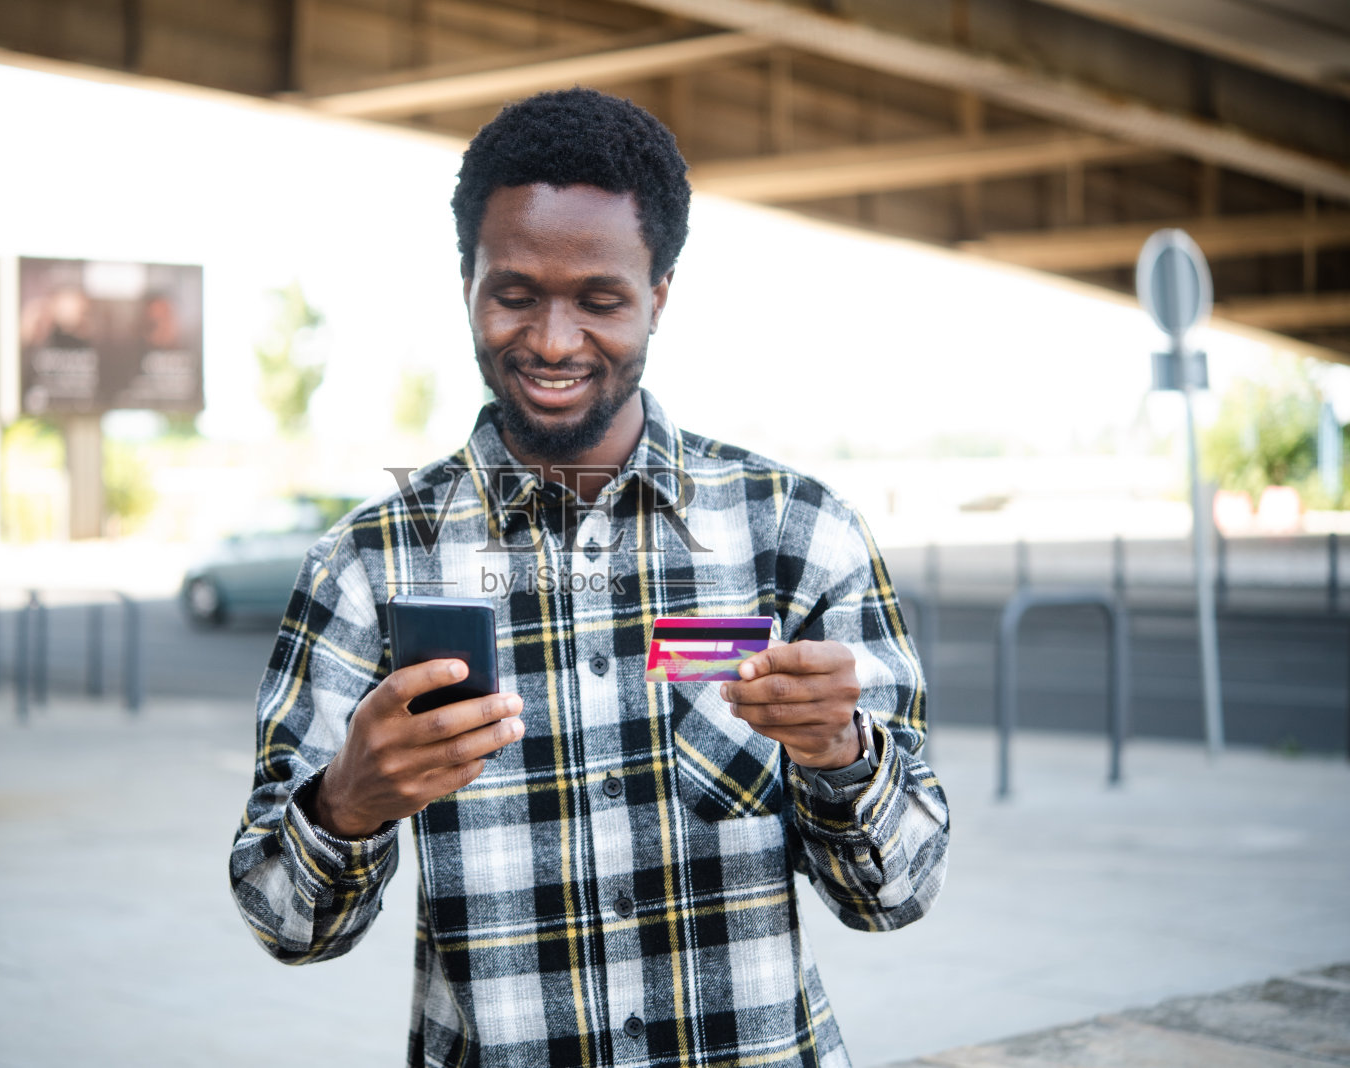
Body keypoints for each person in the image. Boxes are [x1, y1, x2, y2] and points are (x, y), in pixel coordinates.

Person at [230, 88, 950, 1068]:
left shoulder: (798, 534)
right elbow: (284, 920)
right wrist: (345, 805)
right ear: (467, 286)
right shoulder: (365, 568)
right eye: (515, 293)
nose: (555, 342)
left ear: (657, 295)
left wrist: (840, 752)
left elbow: (896, 892)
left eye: (600, 300)